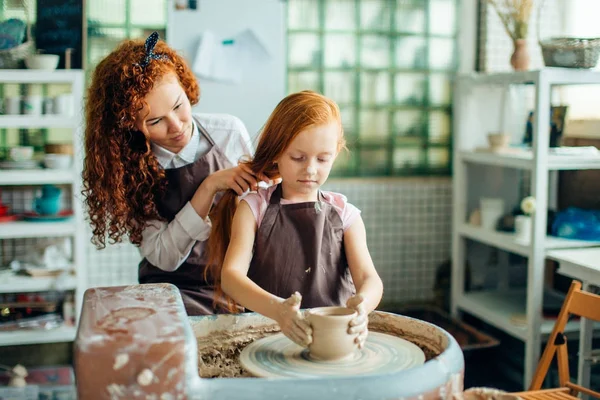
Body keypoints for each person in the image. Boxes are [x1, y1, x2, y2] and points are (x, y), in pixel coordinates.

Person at [81, 32, 269, 315]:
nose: (176, 127)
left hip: (235, 282)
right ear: (129, 123)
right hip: (170, 290)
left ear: (185, 87)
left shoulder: (228, 132)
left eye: (179, 106)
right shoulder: (130, 166)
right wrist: (209, 187)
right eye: (154, 121)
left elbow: (259, 215)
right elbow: (163, 258)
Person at [206, 90, 384, 348]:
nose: (310, 169)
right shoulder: (254, 207)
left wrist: (363, 305)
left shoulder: (345, 215)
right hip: (267, 337)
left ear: (335, 153)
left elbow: (369, 278)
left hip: (332, 340)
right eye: (298, 157)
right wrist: (278, 311)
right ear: (277, 153)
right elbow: (232, 277)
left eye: (323, 159)